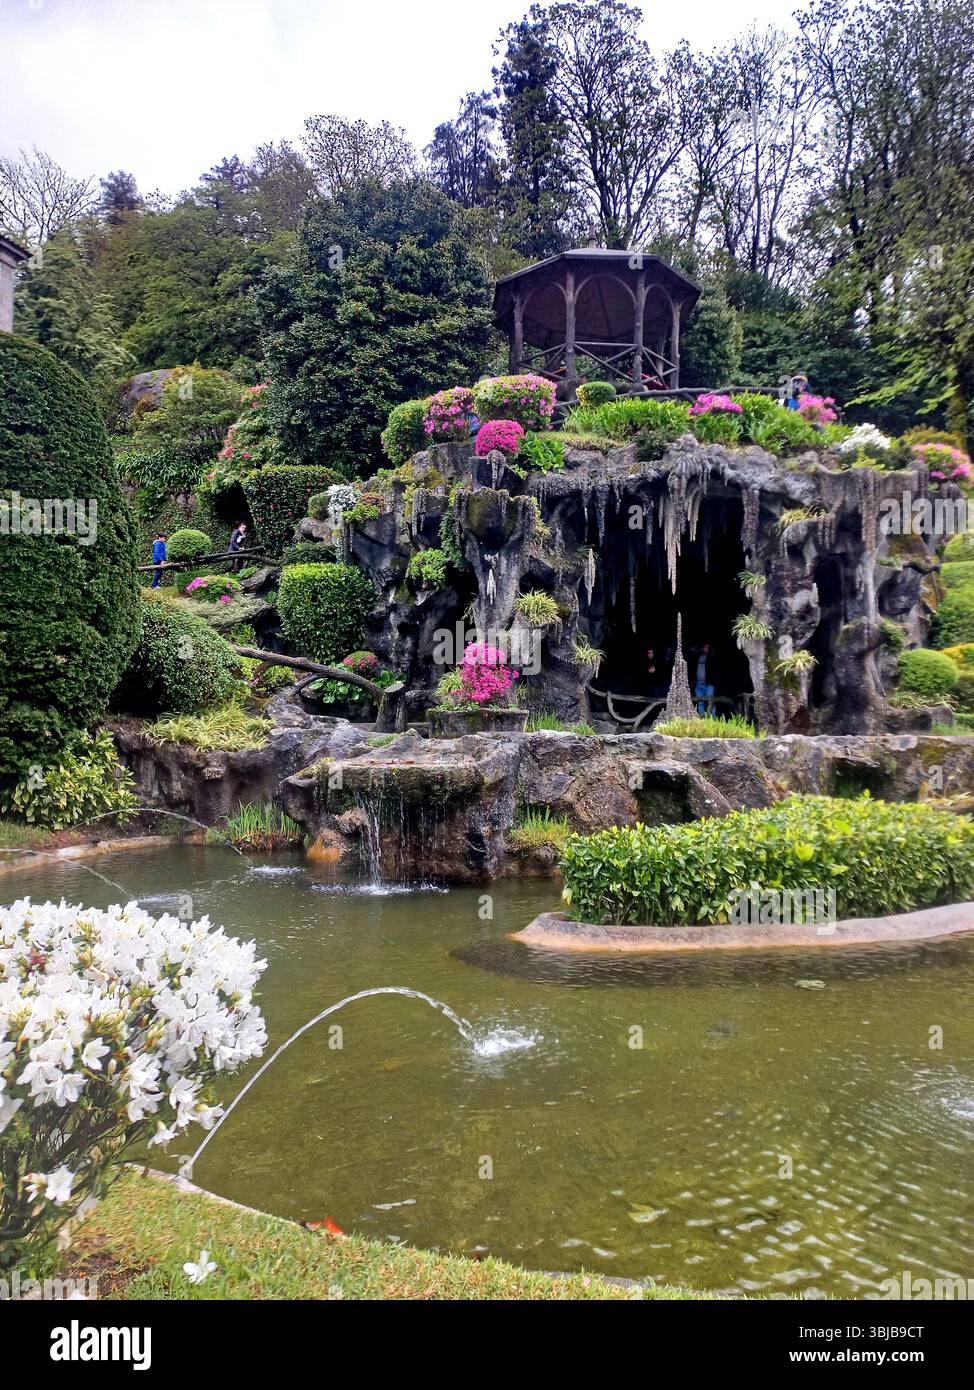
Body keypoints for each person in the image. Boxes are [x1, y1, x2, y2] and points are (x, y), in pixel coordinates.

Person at [694, 643, 714, 714]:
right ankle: (702, 719)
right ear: (702, 648)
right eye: (705, 647)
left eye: (708, 647)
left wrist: (712, 682)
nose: (707, 649)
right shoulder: (697, 658)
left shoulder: (712, 658)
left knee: (711, 702)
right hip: (698, 684)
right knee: (700, 703)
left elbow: (715, 671)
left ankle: (713, 719)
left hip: (708, 684)